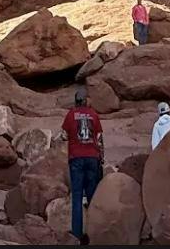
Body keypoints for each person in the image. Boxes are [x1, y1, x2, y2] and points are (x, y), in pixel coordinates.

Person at [61, 85, 104, 245]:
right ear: (86, 100)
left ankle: (77, 234)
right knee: (92, 197)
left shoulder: (71, 115)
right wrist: (101, 158)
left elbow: (64, 135)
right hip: (92, 158)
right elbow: (99, 138)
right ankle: (94, 233)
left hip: (76, 158)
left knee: (77, 197)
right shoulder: (94, 115)